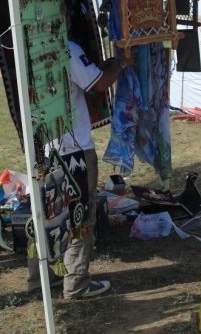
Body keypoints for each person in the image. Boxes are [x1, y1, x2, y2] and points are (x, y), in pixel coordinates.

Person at [28, 39, 131, 298]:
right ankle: (76, 283)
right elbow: (99, 84)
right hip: (73, 148)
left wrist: (104, 66)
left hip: (44, 146)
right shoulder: (65, 47)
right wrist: (120, 63)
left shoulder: (28, 47)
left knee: (47, 211)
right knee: (80, 213)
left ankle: (41, 276)